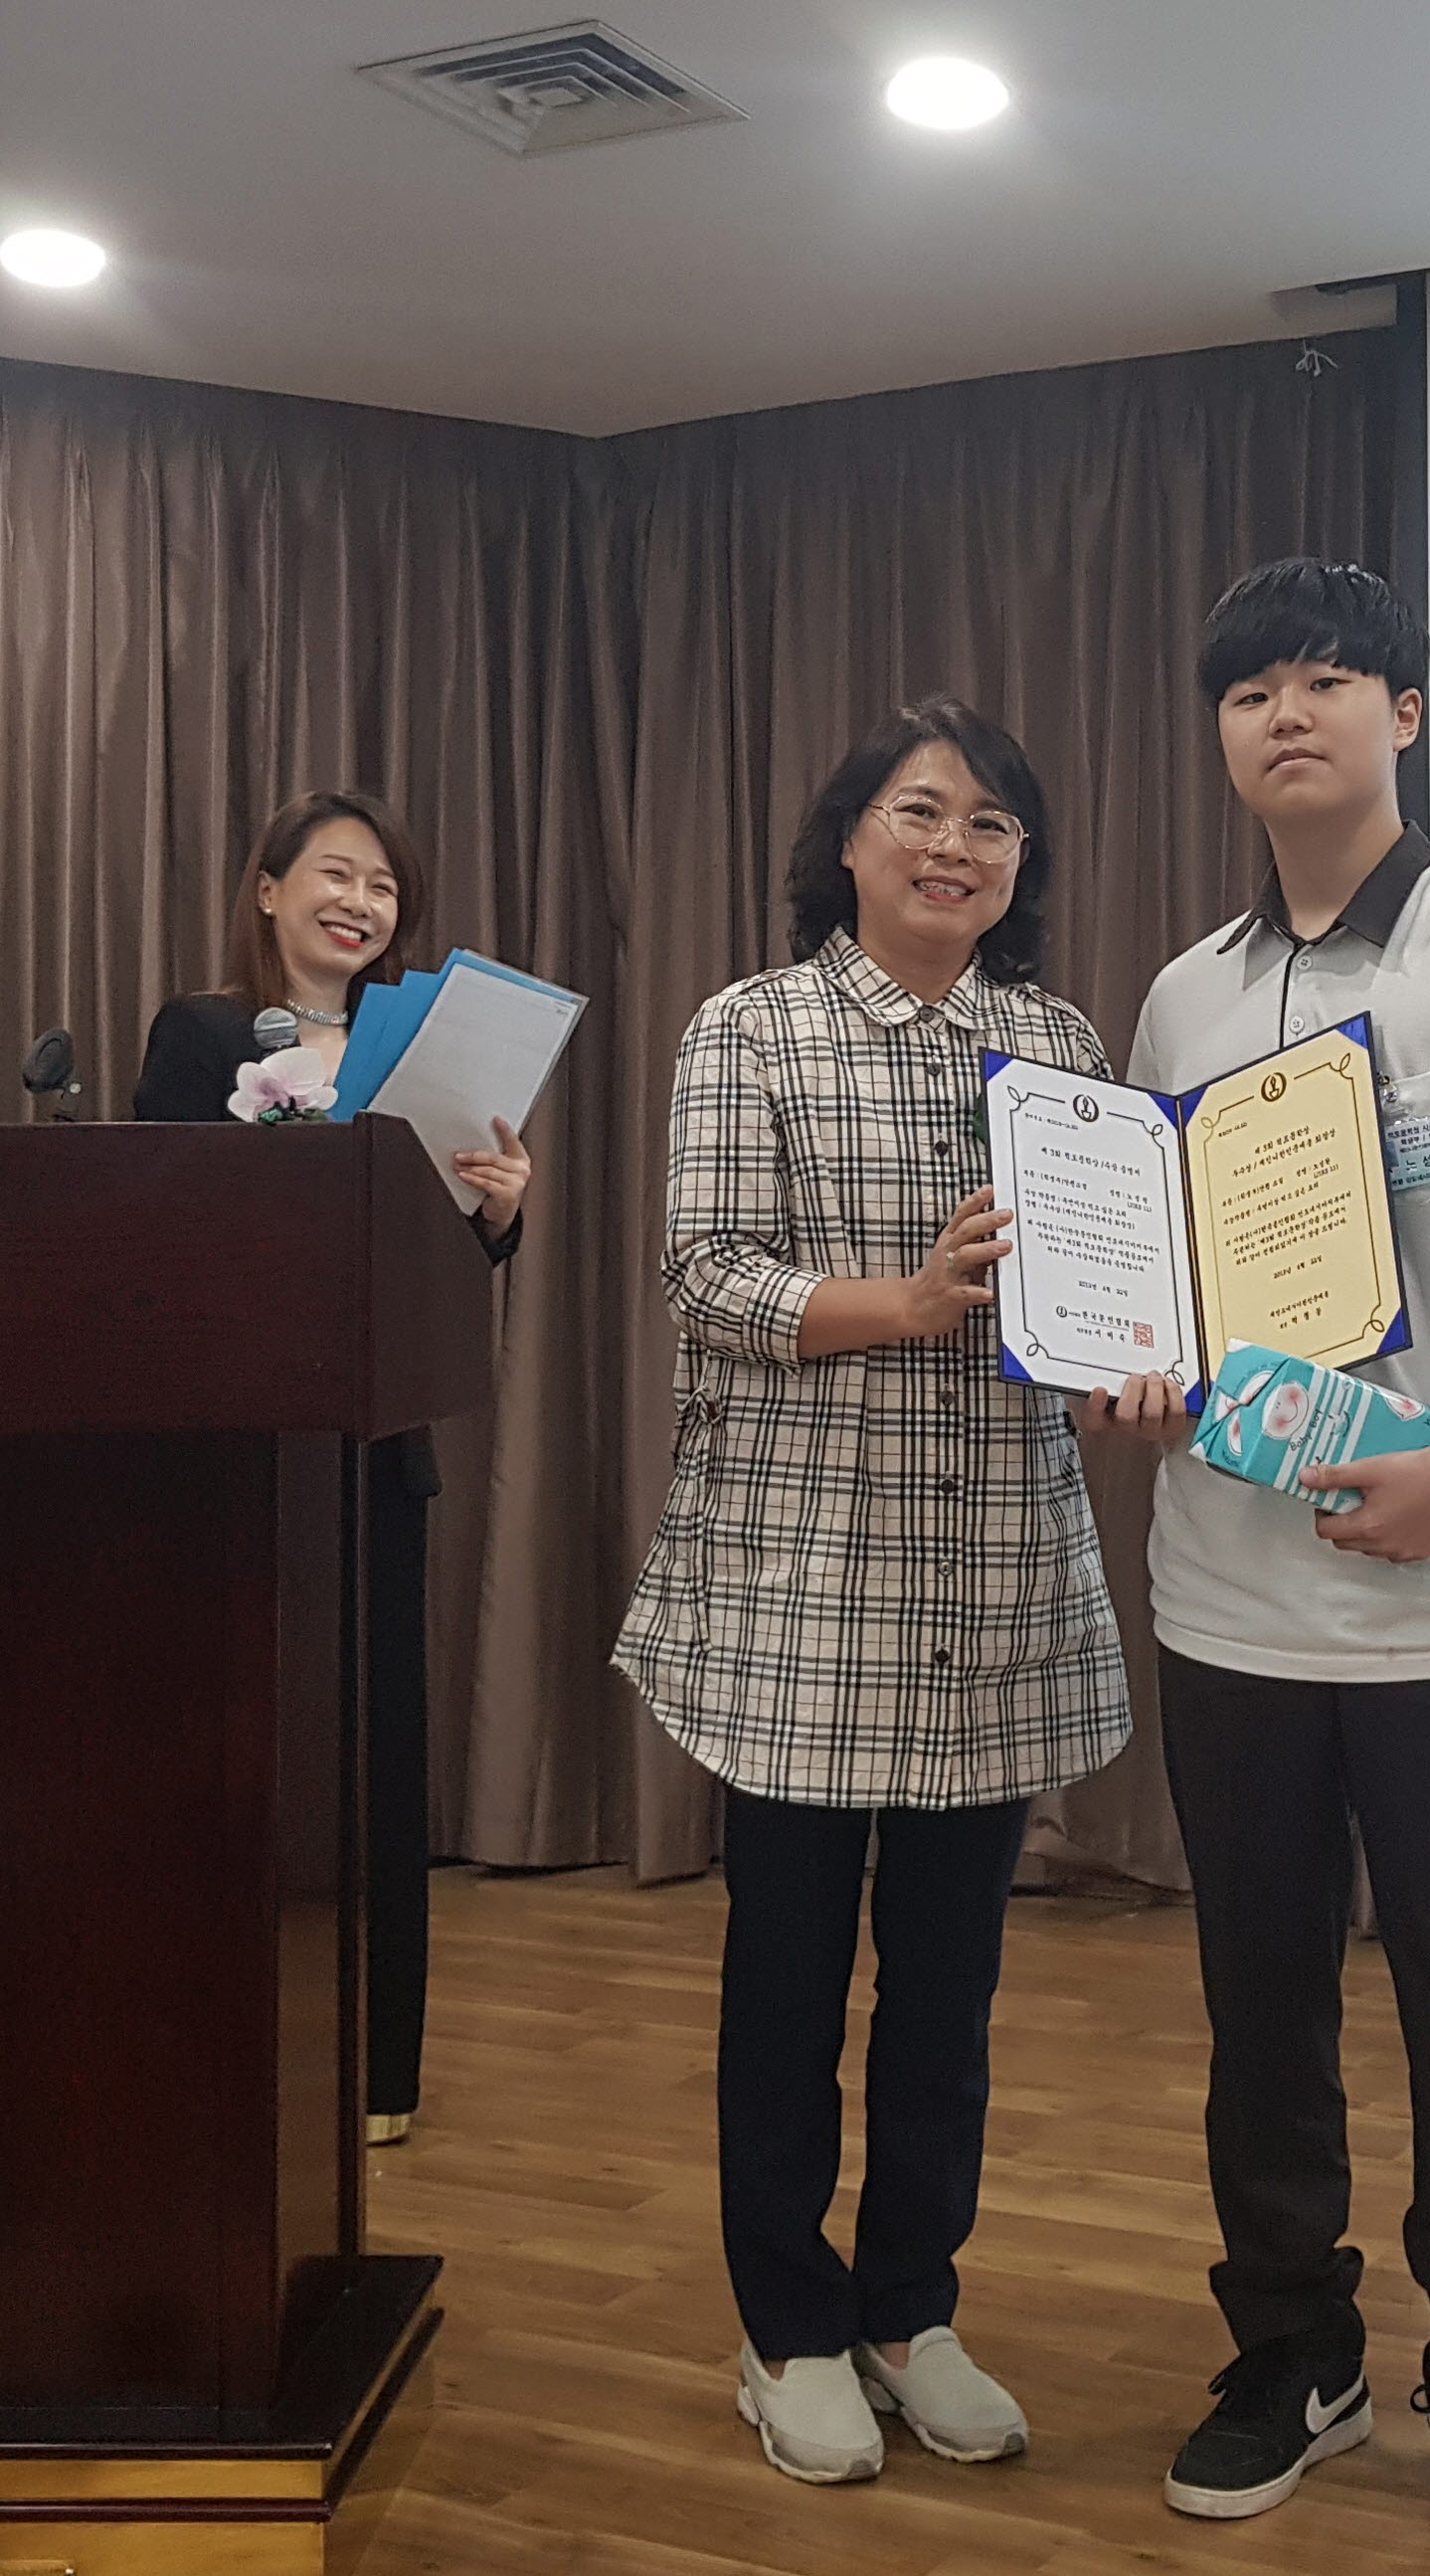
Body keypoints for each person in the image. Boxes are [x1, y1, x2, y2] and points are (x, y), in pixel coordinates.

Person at [1079, 561, 1430, 2569]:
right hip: (1231, 1591)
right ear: (1220, 733)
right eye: (1250, 690)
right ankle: (1291, 2352)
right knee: (1260, 2005)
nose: (1285, 714)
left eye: (1326, 679)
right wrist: (1133, 1368)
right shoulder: (1185, 992)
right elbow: (1164, 1267)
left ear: (1403, 710)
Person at [611, 694, 1132, 2489]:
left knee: (949, 1991)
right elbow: (704, 1275)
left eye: (992, 822)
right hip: (806, 1590)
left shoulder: (1055, 1044)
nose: (952, 846)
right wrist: (904, 1302)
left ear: (1019, 866)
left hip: (992, 1580)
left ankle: (912, 2310)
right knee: (785, 1985)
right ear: (847, 839)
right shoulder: (749, 1025)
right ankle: (789, 2329)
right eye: (920, 810)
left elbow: (1093, 1291)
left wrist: (1133, 1340)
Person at [133, 790, 533, 2148]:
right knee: (241, 1764)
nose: (360, 903)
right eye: (335, 874)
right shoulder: (201, 1034)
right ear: (267, 888)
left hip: (375, 1450)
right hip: (243, 1456)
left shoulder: (419, 1049)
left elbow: (435, 1264)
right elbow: (164, 1221)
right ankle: (225, 2050)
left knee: (373, 1761)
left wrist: (497, 1212)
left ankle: (377, 2073)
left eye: (383, 886)